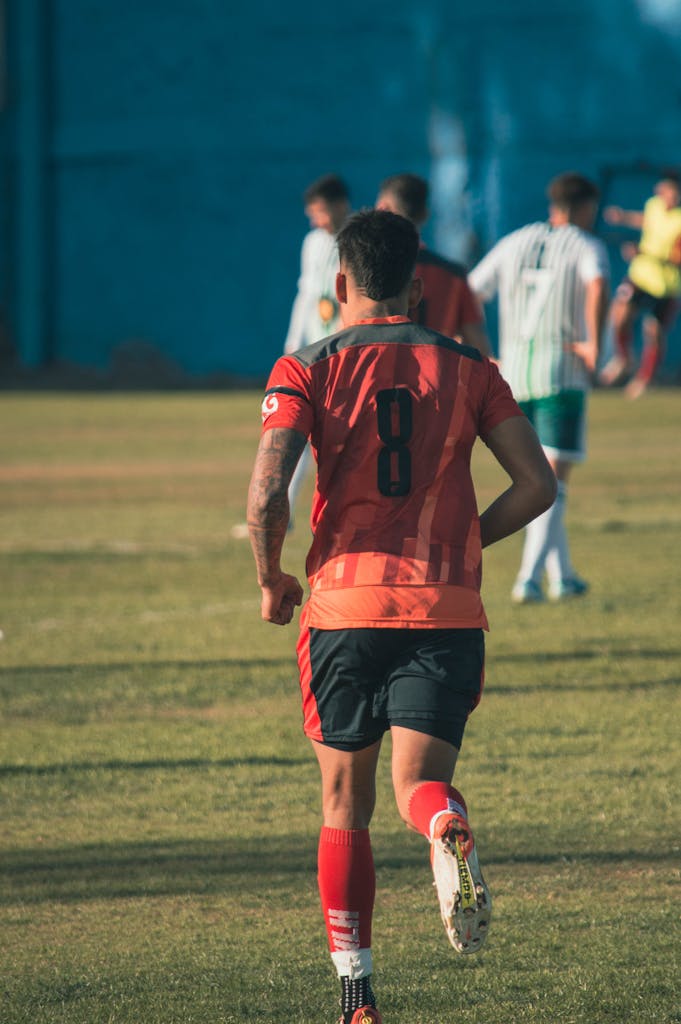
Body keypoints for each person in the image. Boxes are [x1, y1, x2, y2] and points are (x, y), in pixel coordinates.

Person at [246, 209, 556, 1023]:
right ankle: (446, 827)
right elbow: (536, 485)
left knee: (343, 804)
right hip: (444, 607)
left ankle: (356, 994)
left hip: (344, 608)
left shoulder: (304, 366)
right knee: (421, 783)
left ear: (340, 284)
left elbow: (266, 491)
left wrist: (272, 577)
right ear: (418, 287)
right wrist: (465, 541)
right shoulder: (470, 366)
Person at [469, 171, 610, 605]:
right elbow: (599, 283)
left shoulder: (514, 241)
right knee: (550, 480)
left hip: (513, 374)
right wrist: (592, 344)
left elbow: (469, 290)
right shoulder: (587, 246)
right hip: (560, 372)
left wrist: (482, 351)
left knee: (536, 478)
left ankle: (562, 577)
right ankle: (528, 580)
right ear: (585, 207)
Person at [231, 174, 350, 539]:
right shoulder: (313, 243)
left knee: (340, 440)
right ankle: (281, 511)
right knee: (296, 433)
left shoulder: (359, 240)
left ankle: (343, 516)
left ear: (341, 205)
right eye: (312, 213)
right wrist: (292, 344)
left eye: (321, 211)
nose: (317, 220)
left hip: (347, 358)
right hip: (313, 358)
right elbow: (306, 294)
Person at [375, 173, 490, 355]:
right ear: (425, 215)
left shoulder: (365, 271)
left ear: (382, 209)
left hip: (381, 379)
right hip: (436, 379)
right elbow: (480, 351)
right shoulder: (453, 276)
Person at [599, 169, 681, 398]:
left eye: (673, 192)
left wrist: (644, 253)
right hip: (641, 276)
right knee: (620, 313)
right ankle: (623, 359)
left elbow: (677, 258)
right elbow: (647, 221)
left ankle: (644, 378)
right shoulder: (653, 205)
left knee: (653, 331)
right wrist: (623, 216)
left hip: (666, 286)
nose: (667, 195)